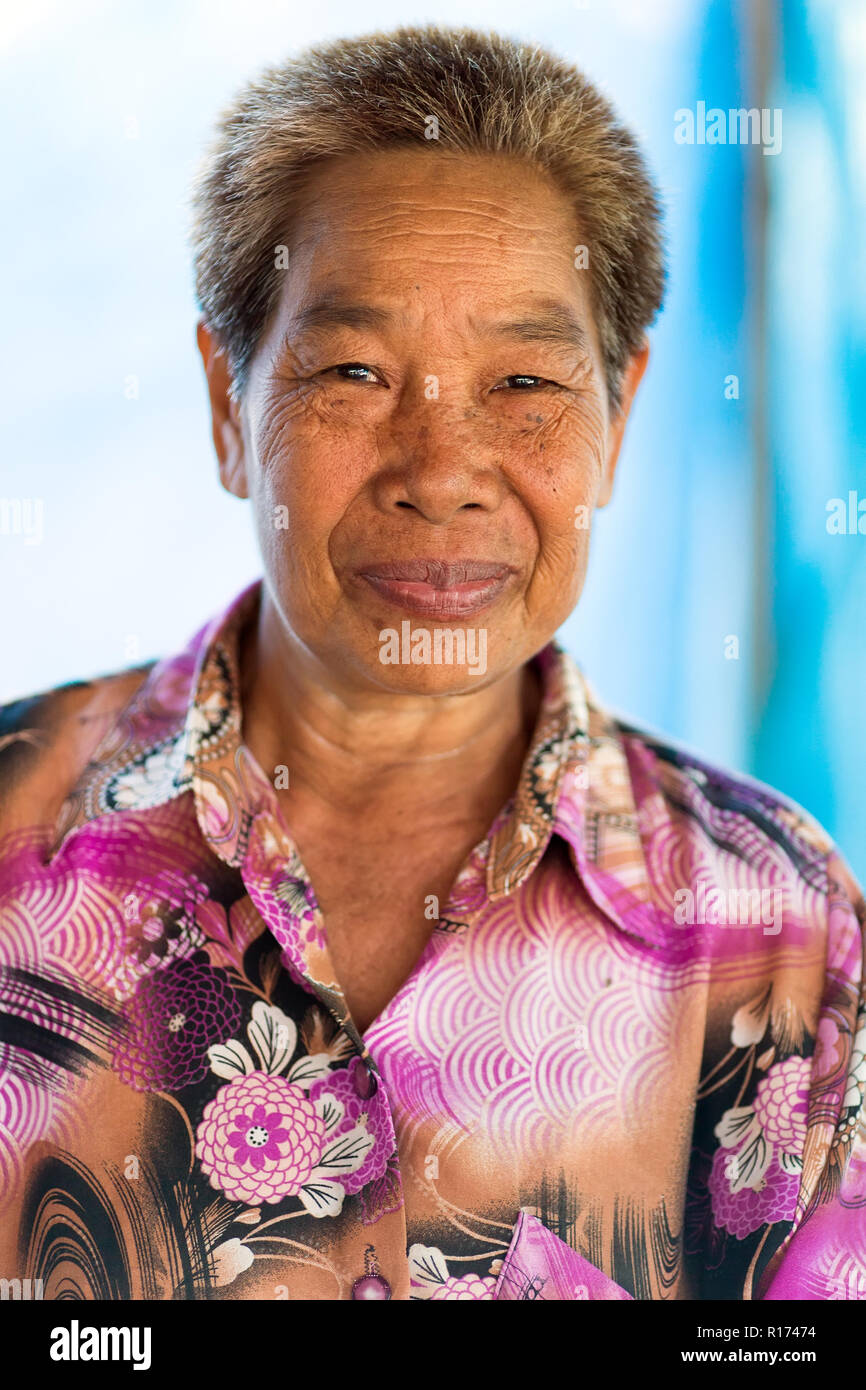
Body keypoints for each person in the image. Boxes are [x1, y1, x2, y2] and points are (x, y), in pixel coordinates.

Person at [1, 23, 864, 1302]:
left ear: (618, 420)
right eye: (352, 370)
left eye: (524, 380)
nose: (442, 473)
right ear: (225, 407)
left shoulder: (776, 929)